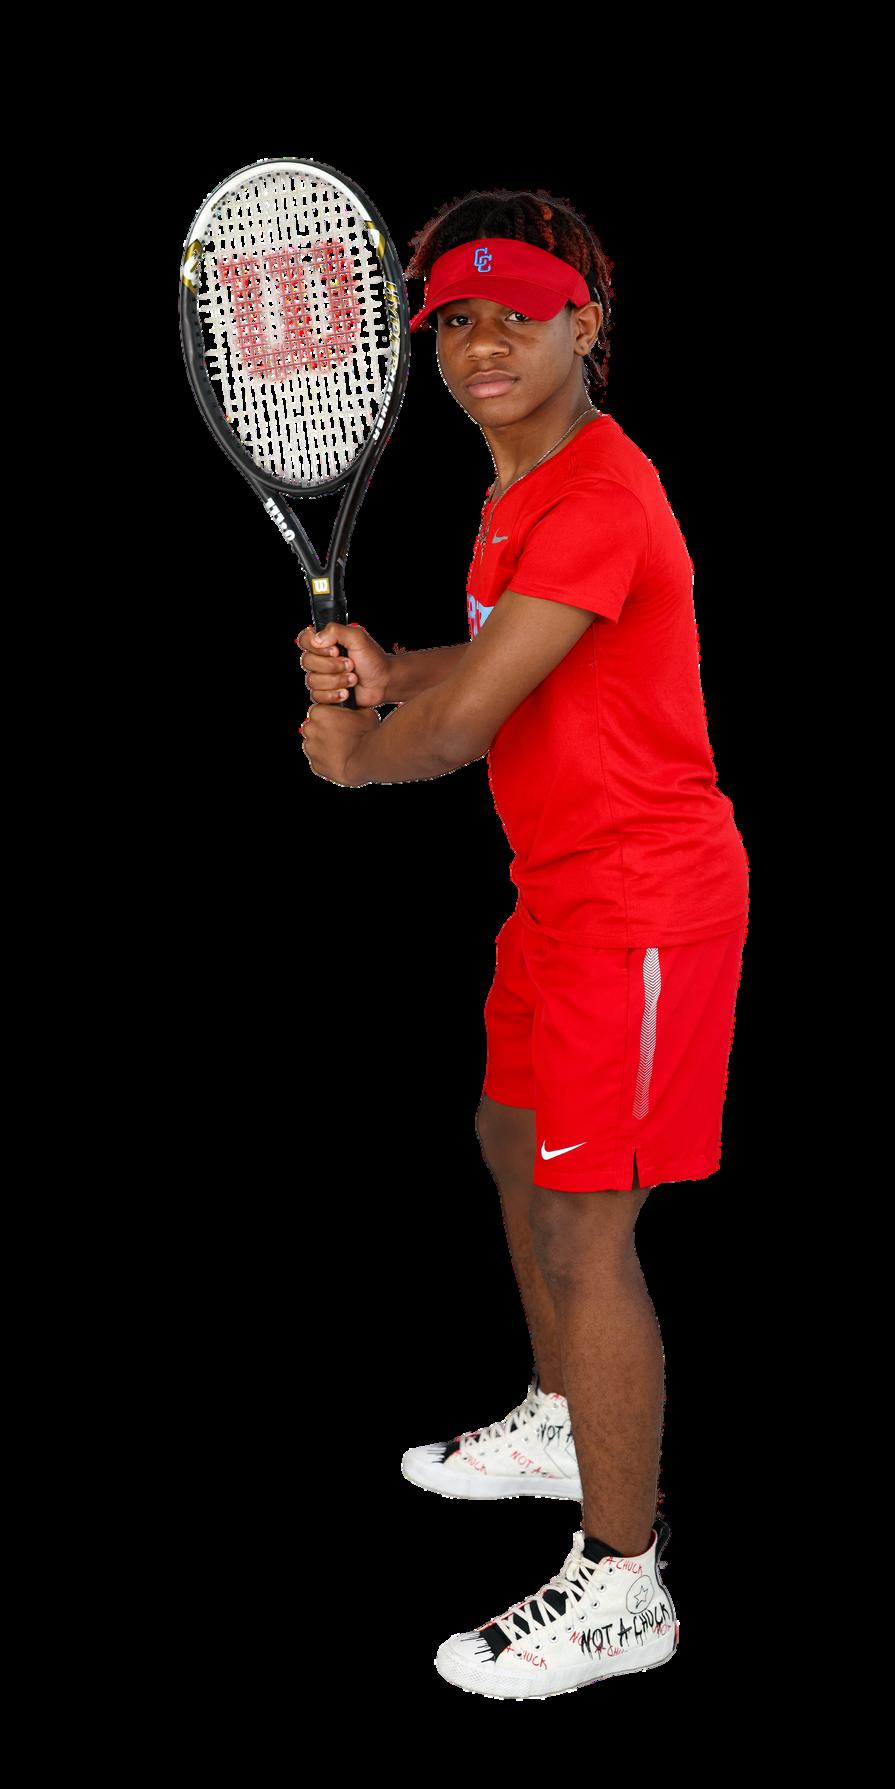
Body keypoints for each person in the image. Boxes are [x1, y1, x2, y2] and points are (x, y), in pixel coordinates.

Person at [297, 185, 750, 1698]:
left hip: (642, 908)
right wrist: (394, 665)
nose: (485, 345)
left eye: (520, 315)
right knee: (509, 1136)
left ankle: (625, 1585)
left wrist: (361, 752)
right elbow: (508, 660)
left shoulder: (599, 493)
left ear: (586, 325)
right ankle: (562, 1420)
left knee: (586, 1227)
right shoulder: (524, 486)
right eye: (457, 322)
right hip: (558, 893)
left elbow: (464, 729)